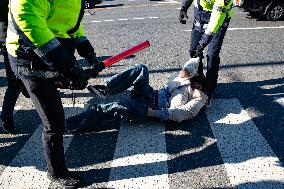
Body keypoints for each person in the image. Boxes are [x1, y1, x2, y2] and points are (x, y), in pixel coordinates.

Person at [6, 0, 104, 187]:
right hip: (29, 60)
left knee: (54, 108)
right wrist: (69, 68)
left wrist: (87, 49)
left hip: (49, 58)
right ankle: (57, 172)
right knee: (54, 122)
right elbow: (31, 25)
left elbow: (69, 22)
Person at [66, 58, 208, 132]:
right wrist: (197, 55)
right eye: (192, 78)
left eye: (195, 82)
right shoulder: (184, 81)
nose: (186, 75)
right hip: (150, 94)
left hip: (147, 108)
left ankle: (67, 125)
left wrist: (152, 113)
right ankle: (106, 89)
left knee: (109, 108)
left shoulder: (198, 99)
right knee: (141, 69)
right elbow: (189, 66)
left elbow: (180, 114)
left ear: (201, 87)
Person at [179, 0, 234, 104]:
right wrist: (183, 8)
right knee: (194, 51)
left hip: (219, 21)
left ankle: (210, 88)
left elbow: (216, 19)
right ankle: (199, 80)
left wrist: (203, 43)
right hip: (200, 18)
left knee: (212, 55)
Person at [0, 0, 28, 133]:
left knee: (19, 83)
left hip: (30, 38)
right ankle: (6, 117)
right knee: (15, 82)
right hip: (13, 43)